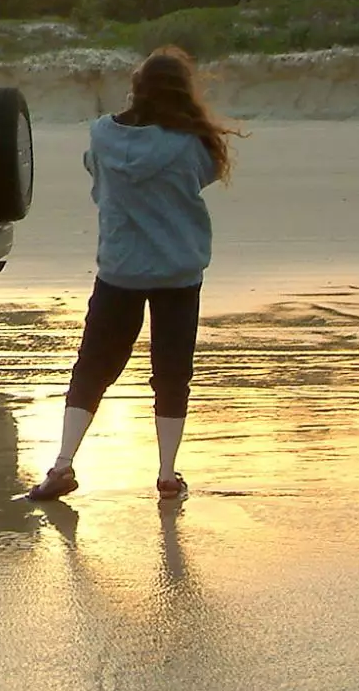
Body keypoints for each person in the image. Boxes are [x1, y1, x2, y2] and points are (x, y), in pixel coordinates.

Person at [24, 47, 239, 503]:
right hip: (178, 270)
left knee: (93, 367)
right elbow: (203, 176)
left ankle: (62, 464)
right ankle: (165, 474)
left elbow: (95, 175)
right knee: (172, 373)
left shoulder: (102, 134)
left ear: (136, 90)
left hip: (120, 268)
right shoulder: (190, 143)